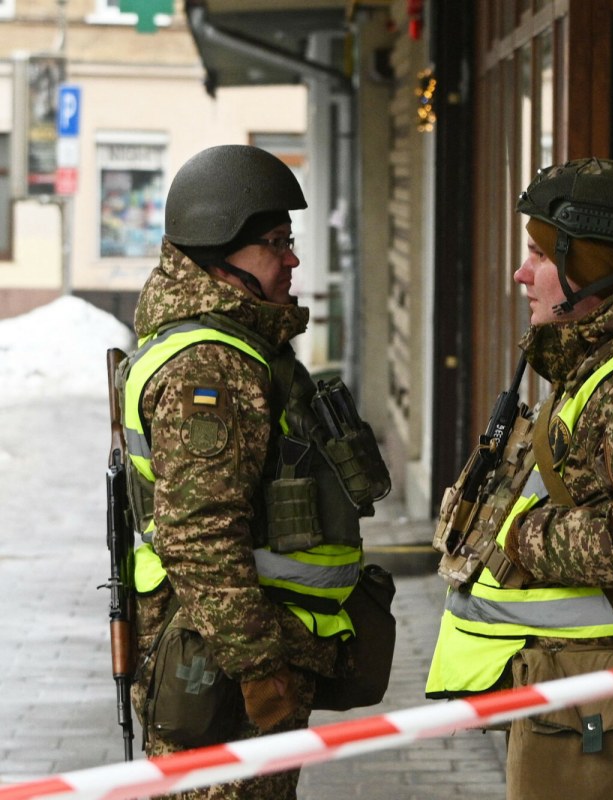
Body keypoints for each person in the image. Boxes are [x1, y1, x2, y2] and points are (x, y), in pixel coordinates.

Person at [425, 157, 613, 800]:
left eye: (539, 254)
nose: (521, 273)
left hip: (596, 689)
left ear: (595, 265)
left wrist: (526, 536)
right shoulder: (604, 366)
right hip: (576, 681)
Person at [120, 144, 389, 799]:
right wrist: (258, 666)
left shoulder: (231, 349)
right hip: (220, 667)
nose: (292, 258)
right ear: (222, 254)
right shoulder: (210, 368)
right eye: (275, 243)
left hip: (226, 651)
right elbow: (200, 535)